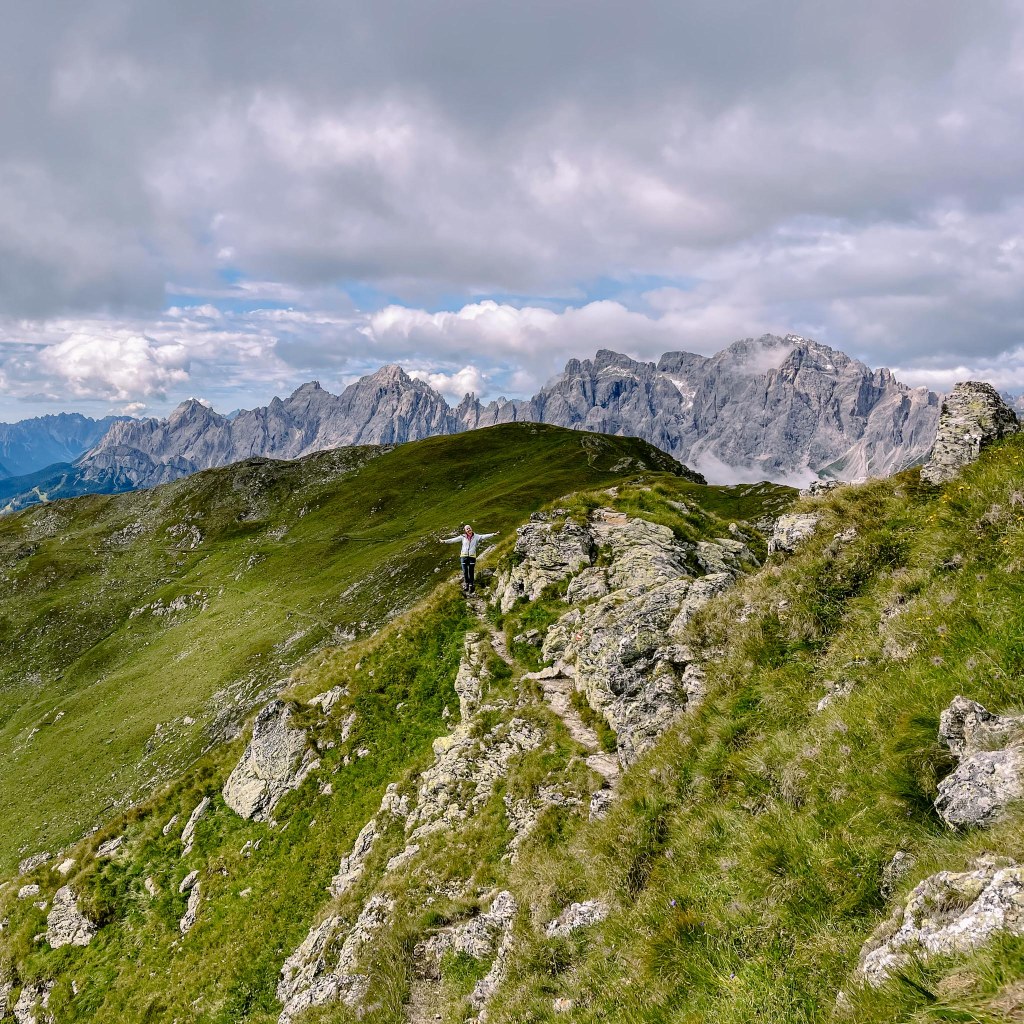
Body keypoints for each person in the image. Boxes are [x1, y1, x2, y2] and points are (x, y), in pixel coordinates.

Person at [441, 524, 499, 594]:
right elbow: (453, 540)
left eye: (469, 528)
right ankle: (466, 584)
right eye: (467, 529)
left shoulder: (476, 536)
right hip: (463, 556)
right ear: (465, 531)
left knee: (471, 571)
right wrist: (445, 541)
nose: (469, 530)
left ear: (471, 529)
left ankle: (471, 586)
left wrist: (493, 534)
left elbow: (484, 536)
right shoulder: (462, 537)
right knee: (465, 571)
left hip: (472, 557)